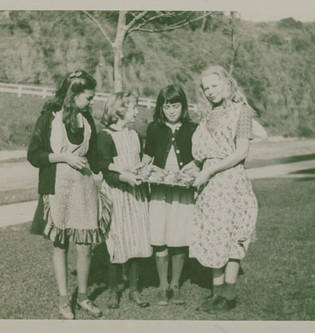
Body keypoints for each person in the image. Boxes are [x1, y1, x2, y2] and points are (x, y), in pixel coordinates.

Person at [27, 70, 110, 320]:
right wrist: (63, 157)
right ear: (72, 96)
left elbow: (94, 157)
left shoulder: (87, 120)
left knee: (85, 246)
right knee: (60, 243)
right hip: (58, 187)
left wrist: (109, 170)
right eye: (88, 97)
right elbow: (34, 155)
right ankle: (65, 300)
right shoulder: (48, 119)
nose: (91, 102)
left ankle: (83, 297)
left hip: (83, 187)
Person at [189, 65, 258, 313]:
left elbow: (241, 153)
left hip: (230, 182)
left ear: (227, 84)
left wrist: (209, 170)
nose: (210, 92)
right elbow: (203, 155)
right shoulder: (208, 115)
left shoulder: (243, 112)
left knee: (231, 237)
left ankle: (228, 293)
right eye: (206, 88)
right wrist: (192, 168)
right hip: (209, 186)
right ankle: (216, 292)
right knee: (212, 236)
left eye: (214, 86)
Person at [137, 84, 199, 306]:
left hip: (183, 190)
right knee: (160, 235)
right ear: (161, 108)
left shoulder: (193, 129)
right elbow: (148, 156)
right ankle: (162, 285)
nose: (171, 110)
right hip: (161, 190)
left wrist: (192, 170)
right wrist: (141, 170)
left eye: (175, 106)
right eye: (167, 106)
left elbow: (198, 158)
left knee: (179, 235)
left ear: (183, 106)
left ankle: (175, 284)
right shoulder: (154, 128)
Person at [94, 92, 152, 309]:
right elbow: (105, 169)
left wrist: (143, 172)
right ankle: (114, 289)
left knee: (135, 240)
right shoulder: (105, 136)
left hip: (136, 196)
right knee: (117, 242)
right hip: (117, 195)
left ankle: (134, 290)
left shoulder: (135, 135)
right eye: (133, 107)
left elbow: (139, 162)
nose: (136, 111)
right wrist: (125, 177)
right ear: (119, 110)